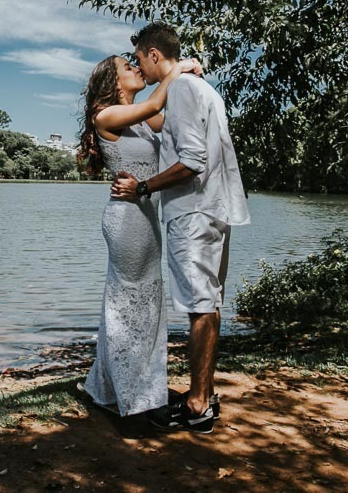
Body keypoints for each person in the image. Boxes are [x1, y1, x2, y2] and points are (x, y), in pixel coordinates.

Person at [112, 22, 250, 434]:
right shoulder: (196, 88)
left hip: (193, 212)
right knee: (208, 303)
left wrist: (144, 187)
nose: (139, 65)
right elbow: (165, 128)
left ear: (154, 54)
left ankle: (198, 404)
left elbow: (191, 161)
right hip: (212, 209)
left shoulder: (186, 90)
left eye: (139, 58)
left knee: (199, 306)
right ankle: (203, 394)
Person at [78, 53, 201, 417]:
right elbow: (155, 101)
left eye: (136, 63)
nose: (136, 68)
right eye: (127, 67)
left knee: (145, 303)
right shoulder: (107, 115)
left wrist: (188, 77)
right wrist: (174, 68)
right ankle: (135, 397)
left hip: (147, 216)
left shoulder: (145, 122)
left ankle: (124, 385)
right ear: (113, 82)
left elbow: (172, 119)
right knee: (130, 303)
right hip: (127, 221)